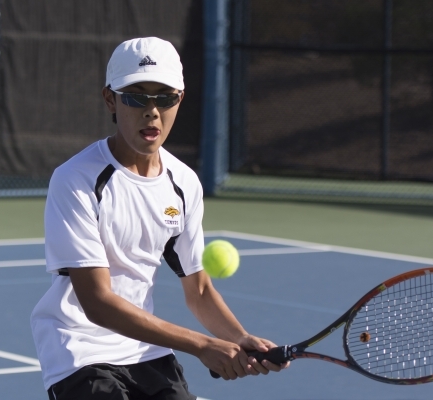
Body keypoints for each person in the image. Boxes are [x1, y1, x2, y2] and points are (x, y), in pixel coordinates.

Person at [30, 36, 288, 400]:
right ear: (111, 100)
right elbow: (97, 302)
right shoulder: (77, 179)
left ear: (179, 100)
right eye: (137, 96)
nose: (152, 111)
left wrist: (239, 338)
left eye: (165, 97)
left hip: (145, 350)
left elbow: (198, 290)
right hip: (79, 349)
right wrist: (202, 345)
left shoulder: (183, 184)